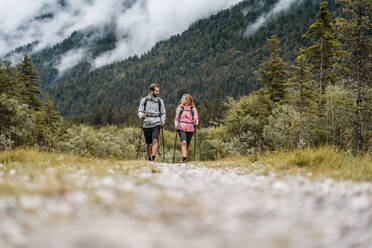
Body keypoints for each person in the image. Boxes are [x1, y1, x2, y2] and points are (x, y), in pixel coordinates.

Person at [138, 84, 166, 161]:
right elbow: (139, 111)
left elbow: (163, 113)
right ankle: (149, 159)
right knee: (147, 143)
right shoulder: (144, 100)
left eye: (158, 91)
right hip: (146, 124)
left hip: (156, 122)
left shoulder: (160, 101)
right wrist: (141, 115)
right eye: (156, 91)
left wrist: (162, 120)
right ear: (151, 91)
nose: (158, 92)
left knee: (155, 141)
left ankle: (153, 159)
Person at [174, 94, 199, 163]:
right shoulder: (180, 108)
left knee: (187, 145)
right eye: (182, 98)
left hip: (190, 129)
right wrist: (176, 125)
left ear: (188, 100)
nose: (182, 100)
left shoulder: (193, 109)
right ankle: (184, 160)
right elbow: (176, 119)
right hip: (181, 127)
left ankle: (185, 158)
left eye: (183, 99)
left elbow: (196, 118)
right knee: (184, 142)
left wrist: (196, 122)